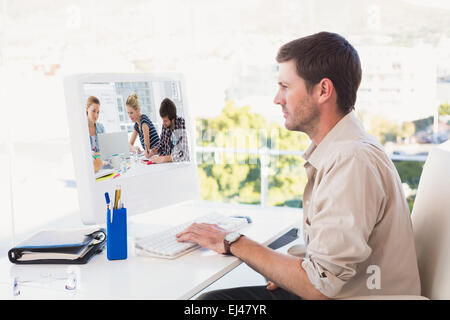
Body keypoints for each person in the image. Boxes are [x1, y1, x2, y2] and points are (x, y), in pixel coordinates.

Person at [176, 32, 421, 300]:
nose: (277, 98)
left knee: (208, 304)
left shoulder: (351, 160)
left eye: (285, 86)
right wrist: (282, 269)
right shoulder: (343, 150)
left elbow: (319, 286)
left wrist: (232, 241)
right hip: (344, 290)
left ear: (323, 90)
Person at [148, 98, 190, 163]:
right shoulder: (165, 126)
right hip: (168, 164)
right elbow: (162, 144)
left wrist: (162, 159)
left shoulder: (182, 124)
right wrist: (153, 151)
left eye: (165, 121)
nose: (163, 123)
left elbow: (183, 154)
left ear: (173, 119)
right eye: (162, 120)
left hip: (180, 165)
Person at [126, 93, 160, 158]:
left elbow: (147, 149)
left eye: (131, 113)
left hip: (158, 154)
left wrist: (145, 152)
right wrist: (134, 148)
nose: (129, 116)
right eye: (128, 113)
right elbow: (129, 145)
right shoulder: (137, 125)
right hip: (152, 155)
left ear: (138, 110)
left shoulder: (144, 122)